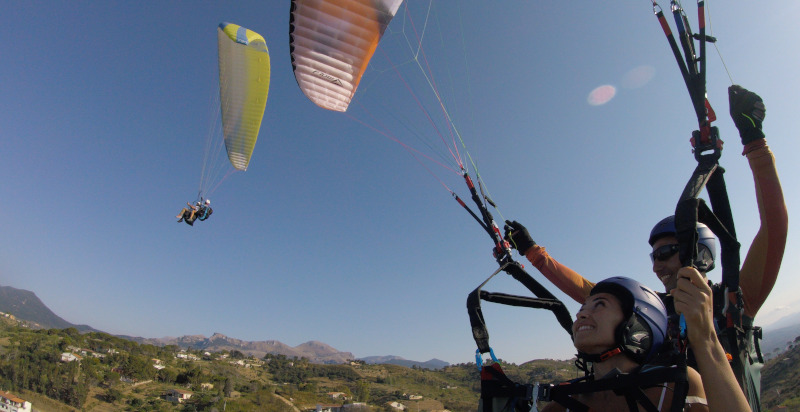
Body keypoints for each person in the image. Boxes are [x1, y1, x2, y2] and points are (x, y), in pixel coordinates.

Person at [505, 85, 786, 408]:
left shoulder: (733, 301)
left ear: (701, 253)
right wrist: (532, 252)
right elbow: (591, 293)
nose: (657, 265)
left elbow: (773, 229)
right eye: (653, 257)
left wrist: (754, 142)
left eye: (667, 253)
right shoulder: (654, 309)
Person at [538, 276, 724, 411]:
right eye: (582, 308)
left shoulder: (678, 386)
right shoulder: (563, 402)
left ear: (638, 322)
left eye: (600, 304)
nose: (580, 314)